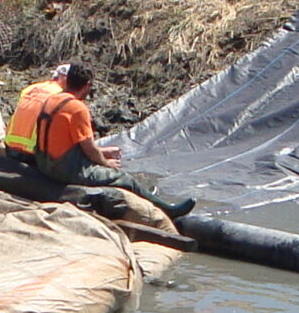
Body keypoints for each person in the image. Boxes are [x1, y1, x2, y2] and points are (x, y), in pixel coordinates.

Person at [15, 64, 194, 218]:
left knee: (105, 166)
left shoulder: (50, 100)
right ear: (87, 86)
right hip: (62, 171)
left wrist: (103, 152)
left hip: (44, 164)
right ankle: (167, 210)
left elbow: (67, 141)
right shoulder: (77, 108)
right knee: (125, 178)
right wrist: (106, 163)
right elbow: (89, 149)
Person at [1, 63, 71, 156]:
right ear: (65, 78)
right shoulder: (58, 95)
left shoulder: (30, 89)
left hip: (10, 145)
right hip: (32, 152)